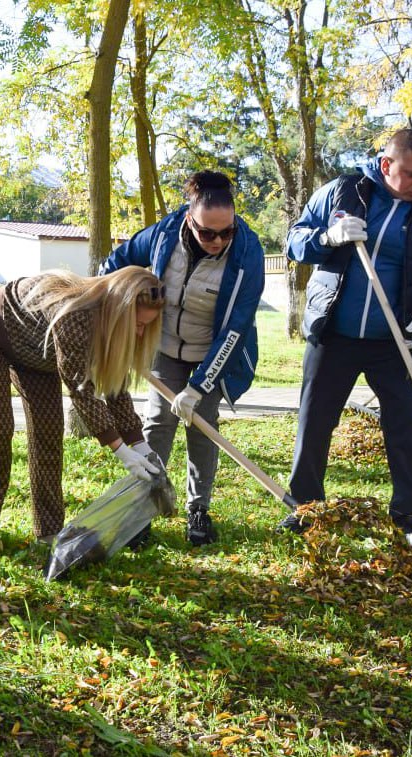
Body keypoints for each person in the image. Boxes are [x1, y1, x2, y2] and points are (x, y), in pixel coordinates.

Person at [283, 128, 412, 552]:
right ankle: (306, 508)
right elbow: (293, 241)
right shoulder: (342, 193)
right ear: (386, 165)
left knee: (407, 429)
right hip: (335, 333)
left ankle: (409, 518)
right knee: (314, 422)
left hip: (399, 342)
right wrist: (327, 238)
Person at [101, 171, 264, 547]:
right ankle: (142, 510)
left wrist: (199, 386)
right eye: (208, 233)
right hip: (163, 345)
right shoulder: (163, 235)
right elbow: (114, 266)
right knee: (157, 423)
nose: (218, 241)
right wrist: (117, 312)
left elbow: (237, 326)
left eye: (226, 231)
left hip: (213, 350)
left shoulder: (248, 252)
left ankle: (198, 510)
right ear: (190, 219)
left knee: (202, 425)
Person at [0, 267, 167, 559]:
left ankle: (48, 530)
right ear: (118, 309)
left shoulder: (112, 325)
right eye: (137, 323)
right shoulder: (75, 313)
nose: (140, 332)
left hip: (37, 355)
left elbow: (115, 387)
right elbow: (81, 388)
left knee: (48, 436)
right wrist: (120, 449)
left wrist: (140, 444)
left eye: (147, 326)